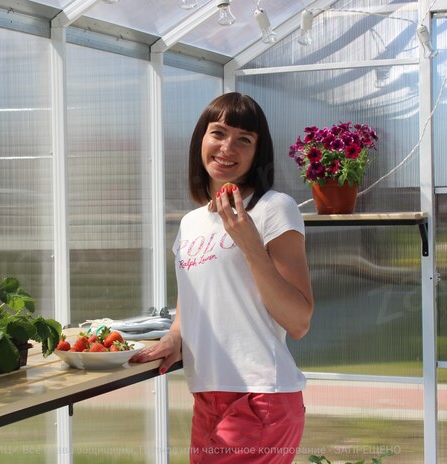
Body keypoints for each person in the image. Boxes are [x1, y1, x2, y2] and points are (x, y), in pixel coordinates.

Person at [130, 92, 314, 463]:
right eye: (218, 133)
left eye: (244, 139)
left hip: (260, 395)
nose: (227, 147)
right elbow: (195, 295)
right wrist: (175, 336)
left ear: (257, 152)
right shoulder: (191, 222)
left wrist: (249, 244)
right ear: (202, 138)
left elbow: (299, 321)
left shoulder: (273, 209)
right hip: (207, 394)